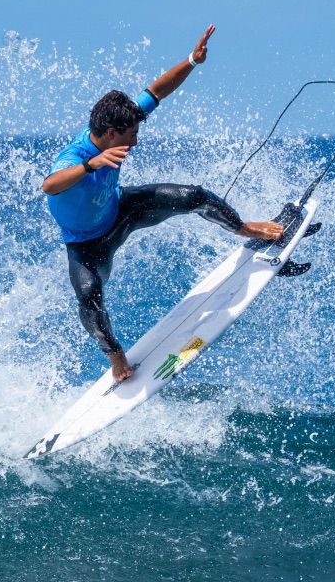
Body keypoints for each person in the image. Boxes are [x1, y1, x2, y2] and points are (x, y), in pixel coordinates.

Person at [42, 25, 282, 382]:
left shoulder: (120, 122)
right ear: (110, 134)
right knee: (89, 297)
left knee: (193, 196)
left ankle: (245, 227)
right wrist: (90, 165)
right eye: (130, 136)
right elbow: (49, 185)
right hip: (86, 245)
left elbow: (156, 90)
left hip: (122, 210)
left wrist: (192, 61)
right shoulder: (75, 156)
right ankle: (115, 357)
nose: (135, 141)